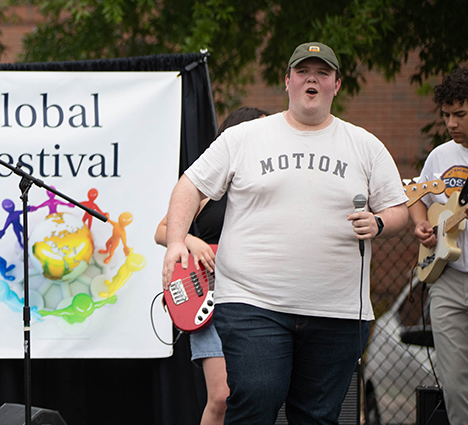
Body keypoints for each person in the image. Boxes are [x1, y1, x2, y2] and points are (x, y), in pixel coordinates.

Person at [160, 42, 408, 423]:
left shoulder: (365, 145)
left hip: (338, 310)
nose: (313, 78)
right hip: (252, 303)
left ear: (336, 85)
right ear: (287, 80)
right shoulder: (245, 137)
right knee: (256, 399)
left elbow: (398, 210)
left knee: (318, 416)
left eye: (322, 72)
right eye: (303, 71)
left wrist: (378, 223)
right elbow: (190, 185)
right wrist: (177, 241)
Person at [153, 106, 268, 425]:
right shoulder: (209, 187)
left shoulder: (268, 189)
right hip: (209, 300)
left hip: (255, 298)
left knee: (257, 393)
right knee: (220, 397)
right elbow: (161, 230)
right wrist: (191, 241)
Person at [409, 67, 468, 424]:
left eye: (460, 114)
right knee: (454, 381)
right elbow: (417, 194)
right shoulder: (441, 155)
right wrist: (421, 224)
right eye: (446, 115)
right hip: (447, 277)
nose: (451, 123)